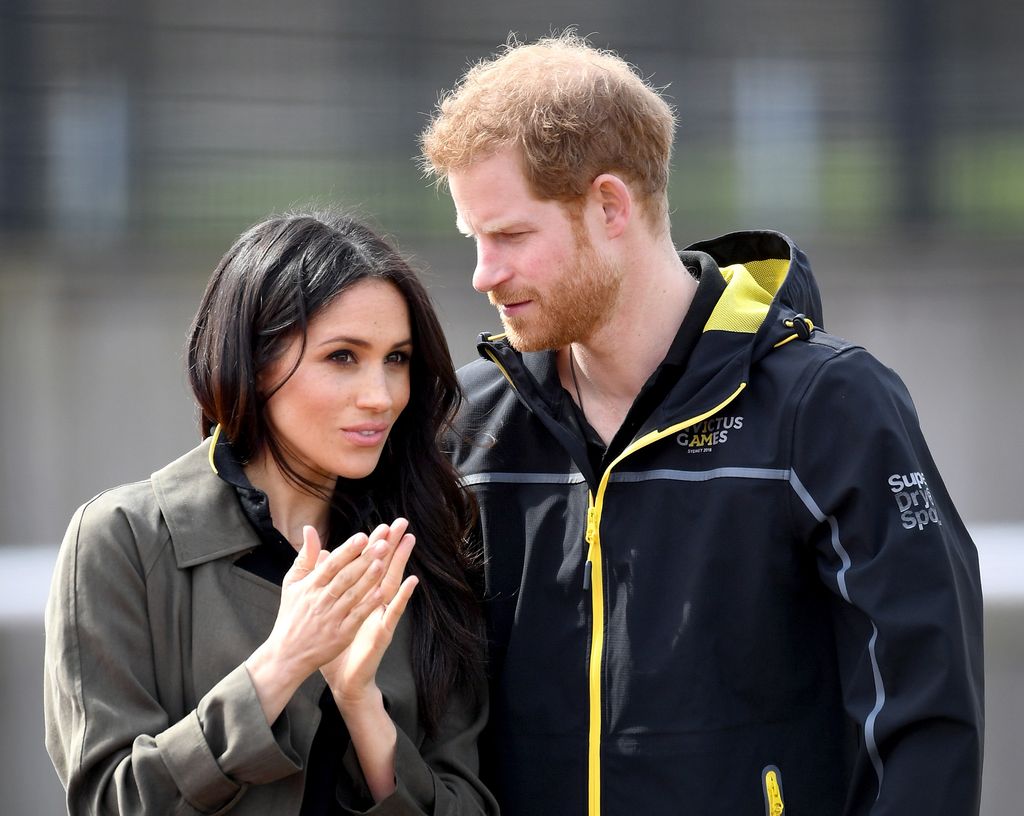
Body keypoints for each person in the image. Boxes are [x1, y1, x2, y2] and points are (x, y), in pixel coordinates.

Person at [419, 32, 984, 816]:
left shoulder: (830, 408)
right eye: (474, 240)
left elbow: (924, 717)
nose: (484, 274)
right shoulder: (471, 428)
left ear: (610, 205)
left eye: (511, 236)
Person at [43, 211, 499, 816]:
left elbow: (468, 800)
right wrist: (281, 664)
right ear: (254, 364)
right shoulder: (123, 541)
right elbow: (112, 802)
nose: (381, 395)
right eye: (342, 357)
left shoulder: (425, 546)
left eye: (396, 359)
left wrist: (361, 704)